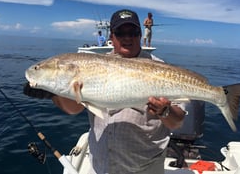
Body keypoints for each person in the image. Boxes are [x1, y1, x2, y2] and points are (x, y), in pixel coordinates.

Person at [23, 9, 186, 174]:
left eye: (133, 32)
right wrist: (54, 93)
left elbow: (177, 121)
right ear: (111, 36)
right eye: (120, 32)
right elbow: (74, 108)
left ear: (140, 34)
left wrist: (165, 111)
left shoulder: (163, 70)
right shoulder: (95, 64)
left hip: (144, 168)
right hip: (101, 166)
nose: (127, 37)